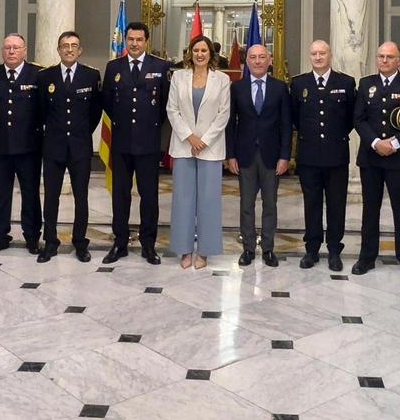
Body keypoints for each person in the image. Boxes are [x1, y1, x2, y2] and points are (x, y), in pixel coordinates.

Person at [353, 41, 400, 279]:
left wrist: (394, 143)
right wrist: (376, 143)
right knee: (370, 209)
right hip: (371, 157)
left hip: (399, 158)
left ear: (399, 60)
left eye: (389, 57)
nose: (384, 61)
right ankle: (366, 257)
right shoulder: (366, 84)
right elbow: (359, 119)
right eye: (381, 56)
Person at [101, 21, 170, 265]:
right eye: (130, 39)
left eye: (139, 40)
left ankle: (148, 244)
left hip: (148, 144)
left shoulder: (161, 67)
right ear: (125, 40)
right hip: (120, 144)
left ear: (146, 41)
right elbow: (107, 103)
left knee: (149, 196)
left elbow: (164, 107)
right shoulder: (113, 67)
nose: (134, 43)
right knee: (120, 195)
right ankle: (120, 242)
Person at [289, 40, 356, 273]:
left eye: (322, 53)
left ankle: (335, 250)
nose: (318, 57)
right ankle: (312, 249)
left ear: (330, 55)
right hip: (309, 156)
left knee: (337, 205)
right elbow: (296, 119)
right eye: (314, 53)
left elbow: (350, 120)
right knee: (312, 204)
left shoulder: (346, 83)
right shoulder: (299, 84)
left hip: (336, 155)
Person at [36, 31, 102, 263]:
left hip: (80, 147)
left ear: (80, 50)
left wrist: (80, 132)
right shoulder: (45, 77)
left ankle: (80, 242)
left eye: (74, 45)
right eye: (65, 46)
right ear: (58, 49)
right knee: (51, 197)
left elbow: (95, 113)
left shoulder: (91, 76)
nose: (70, 49)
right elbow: (41, 112)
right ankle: (50, 242)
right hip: (53, 146)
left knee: (81, 197)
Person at [167, 36, 233, 269]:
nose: (200, 54)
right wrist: (190, 137)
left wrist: (203, 140)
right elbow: (172, 110)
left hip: (211, 148)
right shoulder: (178, 77)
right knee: (183, 200)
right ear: (190, 53)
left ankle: (204, 251)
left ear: (210, 54)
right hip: (184, 146)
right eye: (196, 50)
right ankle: (184, 250)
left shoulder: (222, 80)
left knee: (208, 200)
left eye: (204, 50)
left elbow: (223, 114)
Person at [227, 43, 292, 268]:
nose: (257, 61)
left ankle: (268, 249)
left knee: (270, 204)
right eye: (253, 57)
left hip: (272, 156)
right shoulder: (236, 88)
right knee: (246, 204)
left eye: (262, 57)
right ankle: (247, 249)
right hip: (244, 155)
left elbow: (286, 125)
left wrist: (285, 156)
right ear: (247, 62)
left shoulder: (280, 88)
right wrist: (230, 155)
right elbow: (230, 124)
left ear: (270, 60)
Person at [0, 33, 43, 255]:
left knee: (30, 193)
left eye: (16, 48)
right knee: (1, 194)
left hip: (29, 146)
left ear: (25, 51)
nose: (11, 52)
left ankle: (32, 236)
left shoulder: (37, 74)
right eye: (7, 48)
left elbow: (43, 109)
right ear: (2, 51)